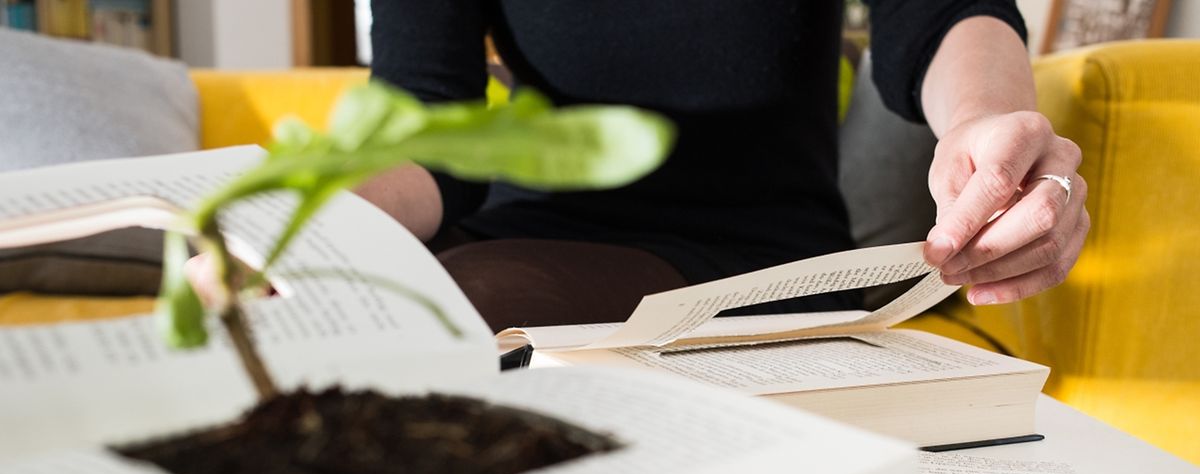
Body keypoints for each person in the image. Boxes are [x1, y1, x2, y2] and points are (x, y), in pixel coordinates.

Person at [358, 1, 1088, 331]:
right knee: (340, 303)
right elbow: (425, 124)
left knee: (448, 312)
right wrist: (301, 223)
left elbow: (943, 13)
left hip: (748, 256)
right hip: (512, 233)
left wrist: (983, 122)